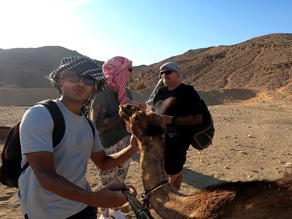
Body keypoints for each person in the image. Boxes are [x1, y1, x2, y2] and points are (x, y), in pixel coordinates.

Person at [18, 56, 138, 219]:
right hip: (46, 213)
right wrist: (94, 198)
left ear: (93, 87)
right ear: (61, 82)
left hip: (84, 209)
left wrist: (132, 148)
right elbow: (45, 175)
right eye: (73, 78)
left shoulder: (88, 126)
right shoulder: (40, 114)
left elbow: (103, 162)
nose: (81, 83)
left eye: (88, 80)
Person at [89, 56, 136, 219]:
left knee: (120, 179)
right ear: (120, 72)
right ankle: (105, 214)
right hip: (107, 146)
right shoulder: (101, 94)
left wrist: (136, 111)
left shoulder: (126, 92)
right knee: (107, 182)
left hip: (125, 143)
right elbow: (97, 125)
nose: (131, 73)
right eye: (129, 69)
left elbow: (128, 118)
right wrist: (123, 112)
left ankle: (116, 210)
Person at [151, 61, 204, 190]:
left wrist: (172, 120)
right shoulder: (161, 92)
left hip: (178, 141)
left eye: (168, 72)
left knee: (173, 172)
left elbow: (197, 118)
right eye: (162, 73)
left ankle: (175, 196)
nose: (164, 75)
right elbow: (154, 110)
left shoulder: (187, 92)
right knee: (160, 170)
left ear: (177, 74)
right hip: (159, 139)